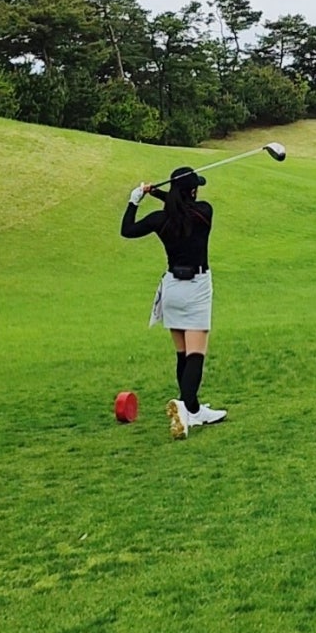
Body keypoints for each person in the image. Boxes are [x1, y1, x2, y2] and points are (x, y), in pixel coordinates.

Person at [120, 166, 227, 440]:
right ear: (193, 191)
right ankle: (184, 407)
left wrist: (136, 199)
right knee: (195, 355)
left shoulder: (161, 219)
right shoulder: (204, 212)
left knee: (182, 353)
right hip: (197, 288)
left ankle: (195, 409)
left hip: (172, 289)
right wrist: (160, 193)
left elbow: (127, 230)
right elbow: (182, 205)